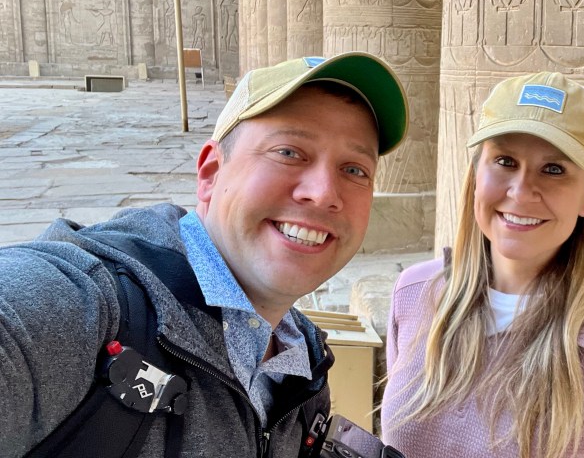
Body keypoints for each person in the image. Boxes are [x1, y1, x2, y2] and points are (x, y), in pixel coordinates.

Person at [0, 53, 409, 457]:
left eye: (354, 170)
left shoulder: (302, 365)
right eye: (288, 152)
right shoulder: (79, 308)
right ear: (211, 173)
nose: (323, 193)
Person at [381, 72, 584, 458]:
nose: (520, 191)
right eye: (505, 161)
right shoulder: (413, 293)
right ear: (475, 176)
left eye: (554, 169)